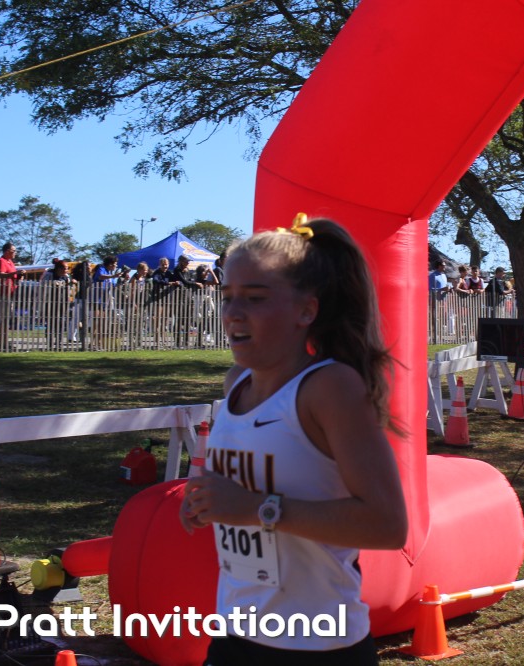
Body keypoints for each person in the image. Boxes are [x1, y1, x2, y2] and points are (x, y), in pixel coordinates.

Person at [180, 216, 407, 664]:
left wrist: (256, 509)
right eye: (227, 296)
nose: (233, 312)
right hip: (235, 632)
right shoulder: (237, 383)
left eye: (255, 298)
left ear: (307, 311)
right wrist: (207, 499)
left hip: (318, 646)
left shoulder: (330, 388)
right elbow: (251, 488)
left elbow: (387, 525)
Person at [0, 242, 24, 351]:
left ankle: (5, 341)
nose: (15, 253)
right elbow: (0, 274)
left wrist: (19, 275)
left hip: (10, 293)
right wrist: (14, 273)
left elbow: (12, 275)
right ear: (7, 251)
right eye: (13, 251)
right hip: (1, 294)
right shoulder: (1, 261)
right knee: (3, 319)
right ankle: (2, 342)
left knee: (7, 319)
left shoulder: (10, 262)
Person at [171, 255, 205, 348]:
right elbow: (185, 282)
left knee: (187, 319)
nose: (188, 263)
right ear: (181, 261)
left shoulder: (187, 270)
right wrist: (196, 283)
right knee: (179, 319)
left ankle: (186, 342)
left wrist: (193, 282)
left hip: (188, 296)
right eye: (186, 261)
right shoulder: (177, 270)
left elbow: (189, 280)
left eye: (188, 261)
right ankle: (177, 342)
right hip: (179, 297)